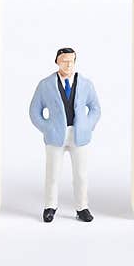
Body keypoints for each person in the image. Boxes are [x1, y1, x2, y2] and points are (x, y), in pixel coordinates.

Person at [28, 47, 101, 222]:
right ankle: (50, 206)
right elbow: (34, 111)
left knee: (81, 175)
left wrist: (87, 125)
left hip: (79, 135)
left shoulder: (85, 84)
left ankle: (82, 207)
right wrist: (47, 128)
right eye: (64, 61)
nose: (68, 65)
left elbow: (95, 108)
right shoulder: (45, 85)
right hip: (55, 136)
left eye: (71, 61)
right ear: (57, 62)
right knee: (52, 174)